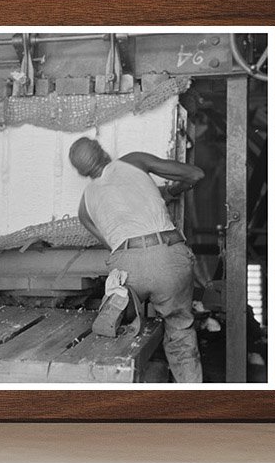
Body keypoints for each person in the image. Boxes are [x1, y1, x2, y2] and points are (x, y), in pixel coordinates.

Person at [69, 136, 204, 383]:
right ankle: (192, 398)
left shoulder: (84, 206)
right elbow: (195, 175)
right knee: (180, 330)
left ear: (80, 172)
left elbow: (114, 244)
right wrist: (173, 190)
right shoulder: (133, 161)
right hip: (168, 258)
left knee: (121, 323)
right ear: (102, 150)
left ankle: (119, 322)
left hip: (128, 268)